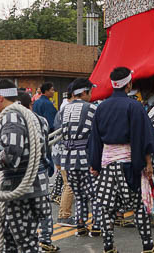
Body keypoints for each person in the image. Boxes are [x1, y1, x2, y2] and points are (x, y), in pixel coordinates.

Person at [88, 67, 154, 253]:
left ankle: (108, 247)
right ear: (129, 84)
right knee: (139, 206)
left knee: (106, 208)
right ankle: (148, 246)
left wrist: (94, 164)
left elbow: (95, 139)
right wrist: (148, 163)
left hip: (107, 165)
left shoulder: (101, 107)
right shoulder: (134, 106)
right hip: (129, 164)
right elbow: (143, 138)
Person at [0, 79, 52, 252]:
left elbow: (11, 155)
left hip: (20, 190)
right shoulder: (35, 117)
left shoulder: (11, 116)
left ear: (0, 98)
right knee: (14, 239)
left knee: (24, 242)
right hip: (37, 186)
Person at [19, 91, 59, 252]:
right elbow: (46, 147)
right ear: (30, 104)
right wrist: (49, 165)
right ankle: (45, 240)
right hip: (40, 170)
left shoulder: (13, 120)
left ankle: (27, 241)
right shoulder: (41, 120)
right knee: (43, 209)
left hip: (19, 174)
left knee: (22, 210)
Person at [59, 78, 98, 237]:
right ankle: (96, 225)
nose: (91, 95)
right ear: (84, 92)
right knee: (94, 194)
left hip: (68, 157)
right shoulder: (91, 108)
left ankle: (80, 224)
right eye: (90, 91)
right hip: (85, 156)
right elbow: (96, 135)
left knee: (79, 194)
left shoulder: (64, 109)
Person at [52, 82, 76, 227]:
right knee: (69, 184)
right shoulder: (69, 109)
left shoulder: (63, 109)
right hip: (65, 153)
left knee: (68, 183)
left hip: (59, 152)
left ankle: (64, 214)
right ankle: (64, 216)